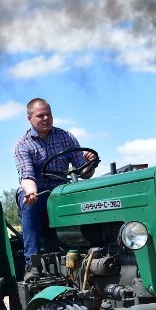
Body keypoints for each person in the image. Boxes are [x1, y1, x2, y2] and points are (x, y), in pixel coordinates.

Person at [14, 98, 96, 282]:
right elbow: (27, 176)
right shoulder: (23, 145)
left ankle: (89, 252)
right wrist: (30, 192)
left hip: (61, 191)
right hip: (37, 192)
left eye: (48, 114)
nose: (45, 118)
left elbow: (84, 173)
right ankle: (32, 264)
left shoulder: (66, 137)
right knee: (30, 206)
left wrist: (89, 164)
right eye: (40, 115)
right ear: (30, 119)